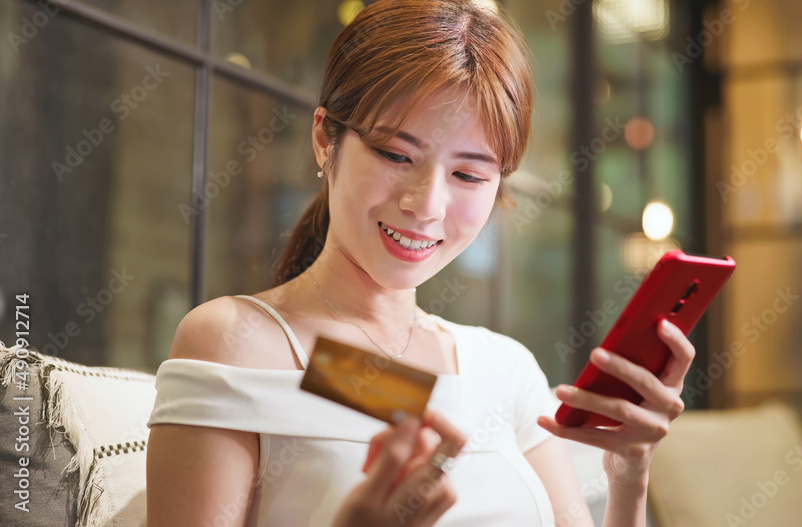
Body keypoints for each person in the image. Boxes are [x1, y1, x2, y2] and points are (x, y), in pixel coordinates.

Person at [145, 0, 694, 525]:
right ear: (324, 140)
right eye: (395, 155)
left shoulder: (503, 369)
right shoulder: (237, 342)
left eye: (469, 175)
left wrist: (629, 474)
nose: (425, 205)